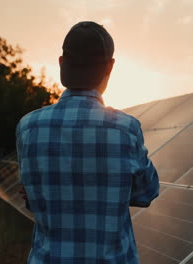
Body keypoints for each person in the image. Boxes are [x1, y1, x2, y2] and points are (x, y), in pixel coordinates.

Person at [16, 21, 159, 263]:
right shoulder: (126, 129)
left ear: (62, 63)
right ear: (109, 67)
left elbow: (33, 198)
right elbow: (148, 193)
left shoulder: (28, 127)